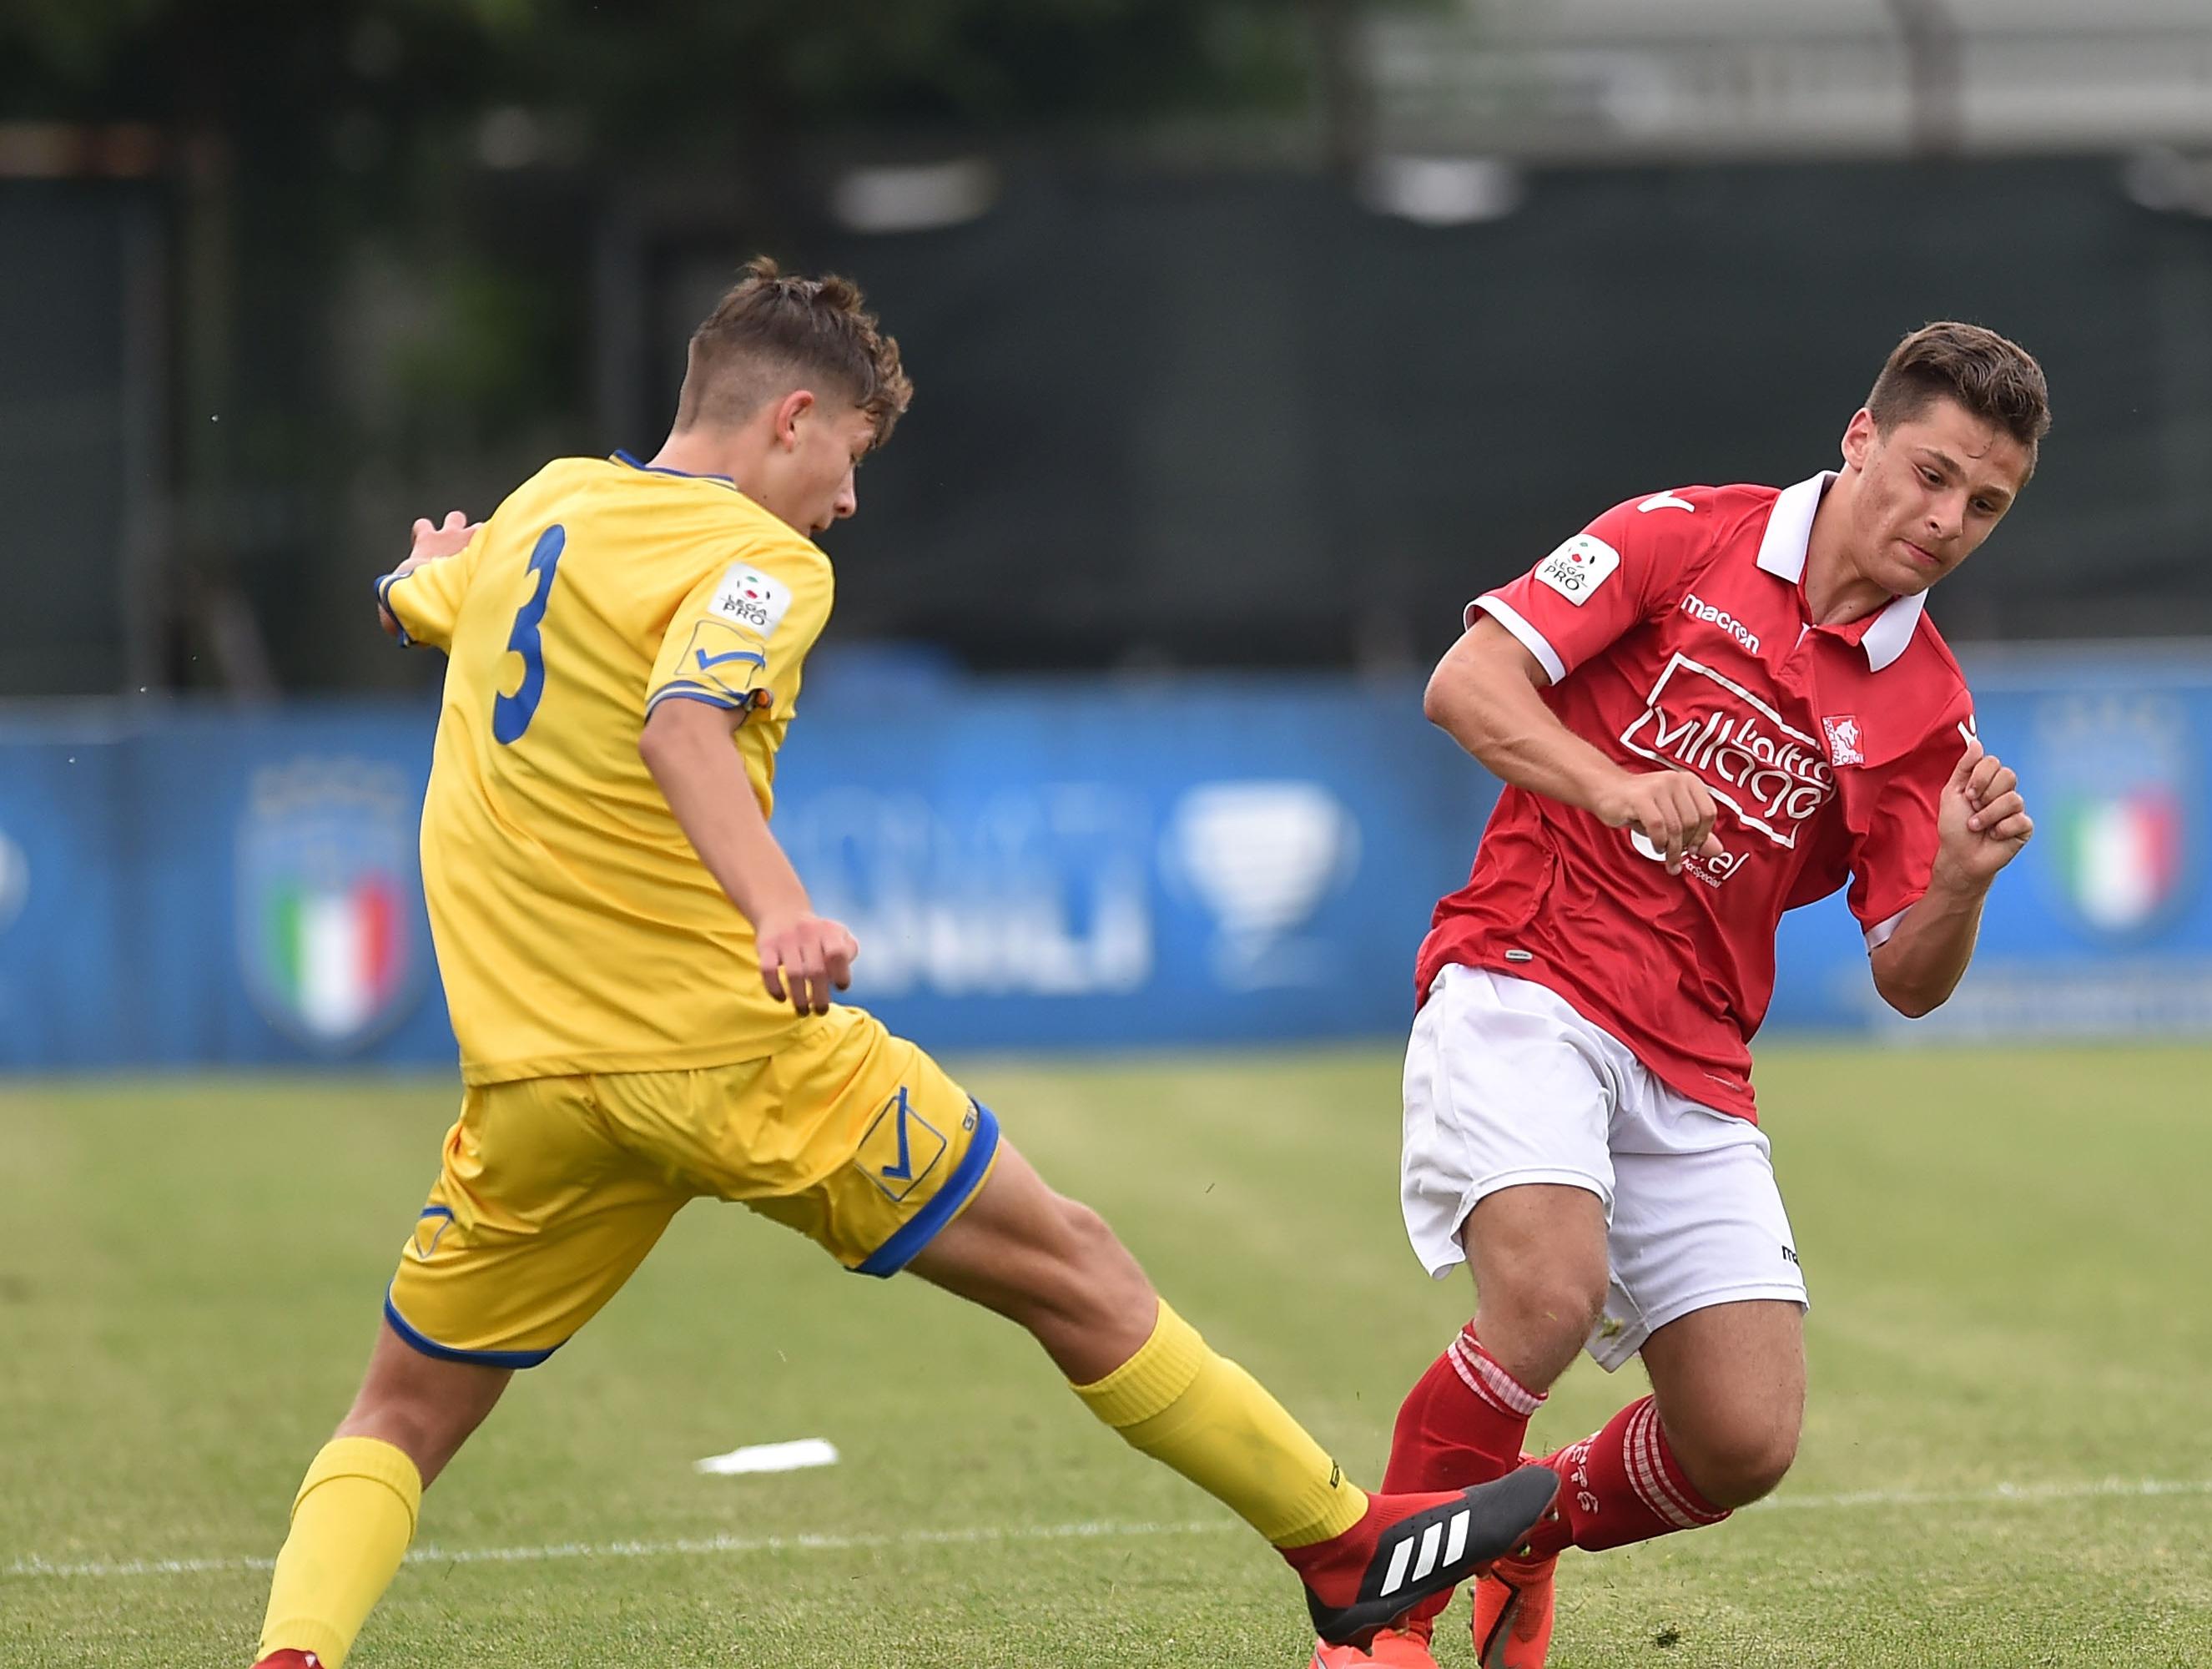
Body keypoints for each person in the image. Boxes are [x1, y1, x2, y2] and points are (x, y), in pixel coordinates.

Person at [245, 259, 1554, 1669]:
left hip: (534, 1092)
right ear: (792, 419)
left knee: (395, 1421)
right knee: (1075, 1269)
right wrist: (778, 910)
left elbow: (420, 599)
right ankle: (1348, 1552)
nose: (851, 503)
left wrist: (408, 578)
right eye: (853, 458)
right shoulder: (761, 562)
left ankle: (291, 1656)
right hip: (735, 1056)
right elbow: (683, 724)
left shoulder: (547, 509)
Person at [1325, 323, 2048, 1668]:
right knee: (1543, 1299)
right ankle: (1379, 1626)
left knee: (1744, 1441)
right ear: (1860, 439)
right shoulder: (1681, 536)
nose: (1947, 521)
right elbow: (1462, 683)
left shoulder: (1927, 710)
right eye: (1932, 474)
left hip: (1698, 1055)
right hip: (1527, 971)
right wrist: (1613, 784)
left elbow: (1907, 981)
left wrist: (1958, 885)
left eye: (1986, 505)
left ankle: (1517, 1532)